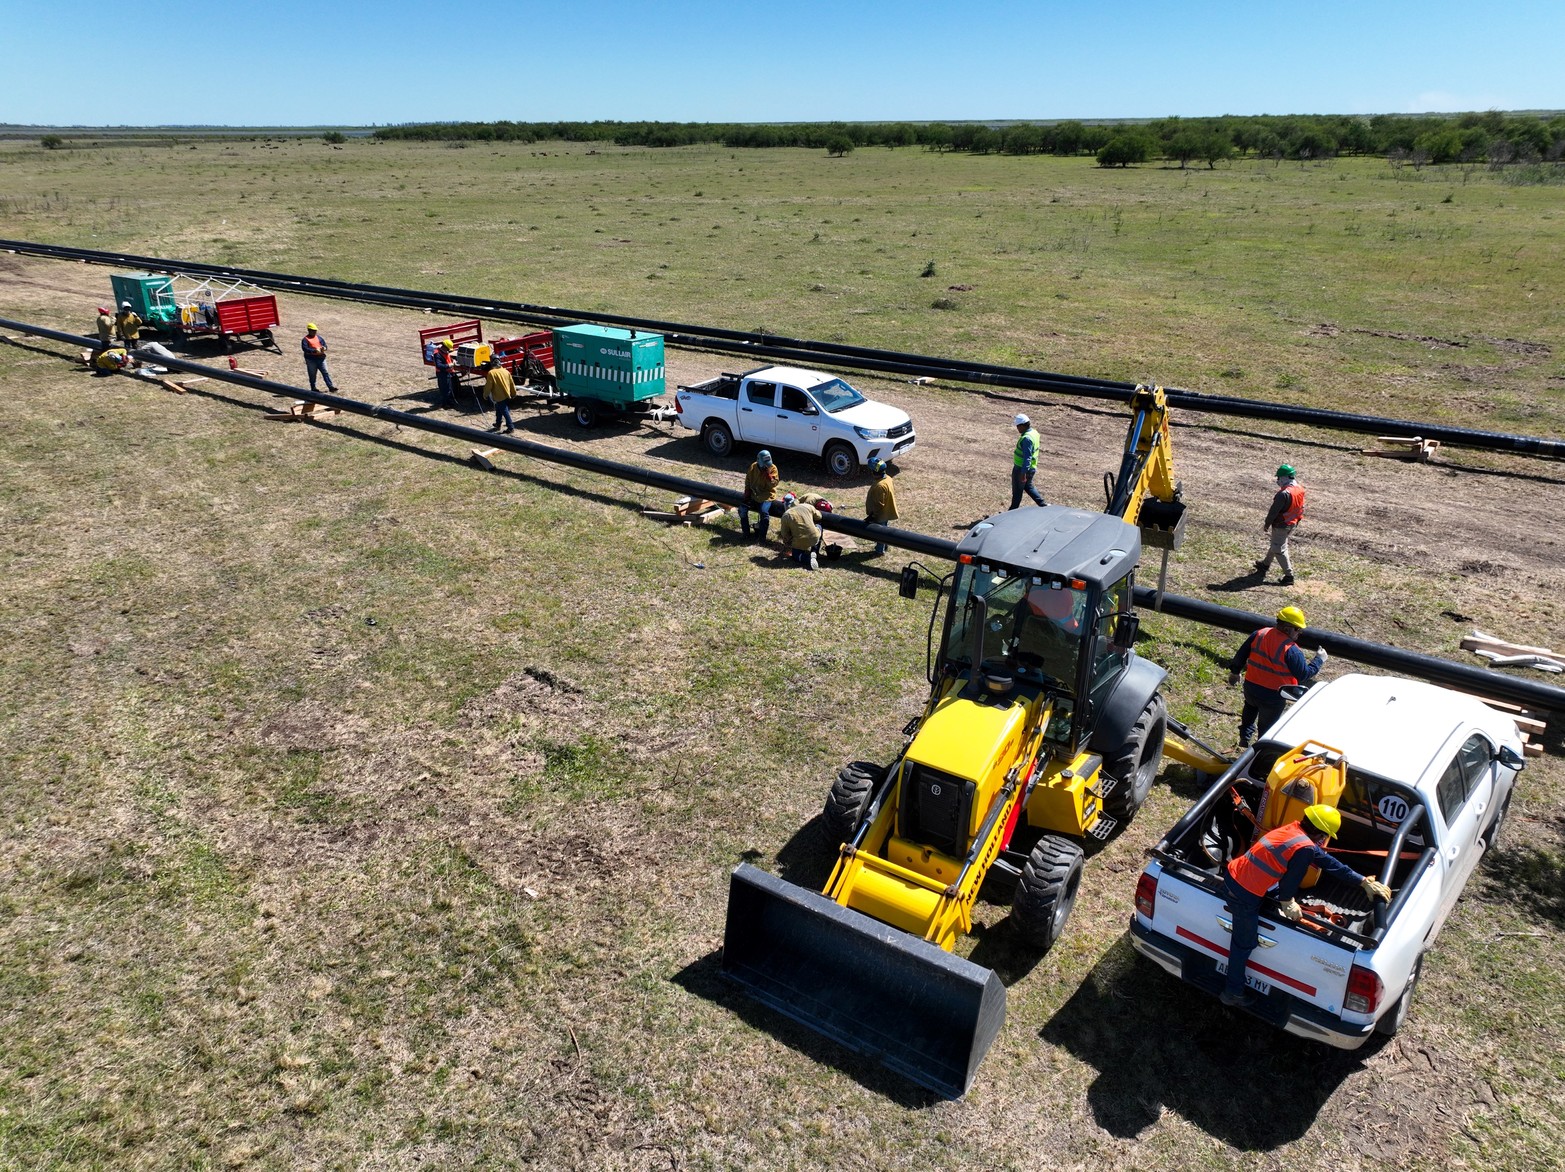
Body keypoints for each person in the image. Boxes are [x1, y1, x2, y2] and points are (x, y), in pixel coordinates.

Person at [1220, 804, 1391, 1007]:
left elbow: (1329, 863)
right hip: (1243, 893)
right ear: (1319, 832)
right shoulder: (1304, 849)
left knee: (1273, 893)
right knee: (1244, 943)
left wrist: (1363, 881)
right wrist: (1287, 901)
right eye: (1325, 835)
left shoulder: (1293, 831)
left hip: (1235, 874)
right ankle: (1232, 992)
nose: (1324, 839)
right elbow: (1292, 880)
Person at [1228, 606, 1327, 748]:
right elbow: (1304, 674)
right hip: (1273, 696)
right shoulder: (1291, 650)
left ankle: (1244, 737)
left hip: (1251, 687)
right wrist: (1319, 659)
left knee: (1249, 709)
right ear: (1288, 629)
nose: (1299, 634)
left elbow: (1241, 654)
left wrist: (1235, 672)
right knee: (1267, 727)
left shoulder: (1260, 634)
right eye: (1298, 630)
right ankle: (1260, 751)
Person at [1254, 464, 1306, 585]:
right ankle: (1265, 564)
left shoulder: (1283, 494)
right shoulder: (1300, 489)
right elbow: (1301, 507)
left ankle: (1289, 576)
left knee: (1279, 548)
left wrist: (1267, 523)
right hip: (1293, 522)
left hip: (1282, 524)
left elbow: (1273, 512)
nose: (1278, 481)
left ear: (1285, 478)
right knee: (1276, 543)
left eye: (1279, 478)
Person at [778, 491, 829, 570]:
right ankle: (814, 551)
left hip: (799, 542)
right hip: (814, 537)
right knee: (819, 526)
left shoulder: (786, 515)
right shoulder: (807, 506)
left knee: (796, 555)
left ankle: (807, 559)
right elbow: (819, 517)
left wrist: (789, 540)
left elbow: (784, 534)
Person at [741, 450, 781, 541]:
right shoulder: (753, 467)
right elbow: (748, 480)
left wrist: (768, 476)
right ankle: (746, 534)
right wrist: (747, 490)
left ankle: (762, 538)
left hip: (767, 495)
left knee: (764, 512)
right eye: (765, 464)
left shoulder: (773, 468)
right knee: (742, 510)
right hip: (754, 493)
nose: (767, 466)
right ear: (759, 461)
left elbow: (774, 484)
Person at [1009, 413, 1046, 509]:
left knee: (1017, 492)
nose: (1017, 428)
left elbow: (1027, 457)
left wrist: (1023, 473)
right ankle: (1043, 505)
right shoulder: (1034, 433)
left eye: (1018, 426)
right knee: (1028, 487)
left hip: (1021, 469)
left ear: (1022, 425)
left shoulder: (1027, 439)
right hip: (1031, 468)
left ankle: (1011, 512)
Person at [864, 456, 899, 554]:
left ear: (874, 472)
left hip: (880, 515)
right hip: (886, 512)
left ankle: (879, 550)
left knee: (879, 533)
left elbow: (879, 504)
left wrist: (872, 516)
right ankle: (885, 545)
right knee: (884, 530)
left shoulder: (880, 486)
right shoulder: (888, 478)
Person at [300, 323, 337, 392]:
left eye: (315, 331)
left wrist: (324, 348)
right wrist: (314, 351)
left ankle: (330, 387)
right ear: (309, 330)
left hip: (321, 358)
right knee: (312, 374)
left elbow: (324, 345)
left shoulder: (319, 338)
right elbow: (305, 348)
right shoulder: (305, 339)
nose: (314, 332)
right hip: (311, 360)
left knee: (325, 372)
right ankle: (313, 388)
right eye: (313, 330)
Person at [484, 358, 517, 433]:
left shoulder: (491, 373)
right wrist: (514, 393)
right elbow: (512, 383)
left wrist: (485, 394)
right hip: (507, 394)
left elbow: (488, 386)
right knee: (499, 409)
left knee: (504, 411)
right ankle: (498, 424)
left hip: (499, 396)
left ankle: (510, 427)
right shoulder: (506, 371)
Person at [433, 338, 457, 406]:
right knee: (445, 389)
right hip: (442, 373)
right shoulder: (437, 354)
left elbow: (448, 357)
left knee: (449, 388)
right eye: (448, 349)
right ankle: (445, 404)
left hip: (448, 372)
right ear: (444, 347)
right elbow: (439, 365)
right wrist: (449, 365)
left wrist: (453, 360)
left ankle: (448, 402)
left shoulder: (445, 351)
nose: (448, 350)